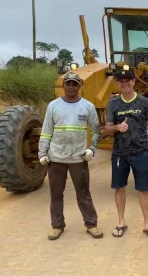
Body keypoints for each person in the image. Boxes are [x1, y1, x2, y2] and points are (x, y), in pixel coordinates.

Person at [38, 72, 103, 241]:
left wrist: (92, 149)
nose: (72, 87)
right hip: (56, 158)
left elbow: (96, 131)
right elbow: (46, 132)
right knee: (56, 194)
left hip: (78, 158)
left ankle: (91, 224)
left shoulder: (87, 107)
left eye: (75, 84)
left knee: (83, 192)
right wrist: (42, 153)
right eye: (68, 84)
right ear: (63, 85)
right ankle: (57, 226)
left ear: (79, 85)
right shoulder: (53, 106)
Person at [103, 67, 148, 240]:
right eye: (121, 81)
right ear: (117, 83)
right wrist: (117, 127)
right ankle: (121, 222)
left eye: (128, 80)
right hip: (120, 154)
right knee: (120, 188)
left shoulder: (144, 102)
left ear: (134, 82)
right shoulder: (113, 103)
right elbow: (107, 128)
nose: (125, 83)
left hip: (140, 153)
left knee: (143, 190)